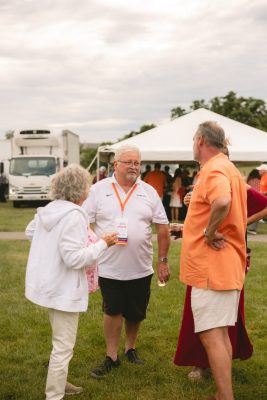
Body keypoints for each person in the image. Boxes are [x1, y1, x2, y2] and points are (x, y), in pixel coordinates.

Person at [25, 164, 118, 400]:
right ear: (80, 191)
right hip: (63, 289)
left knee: (60, 341)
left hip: (49, 285)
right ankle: (54, 395)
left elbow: (30, 232)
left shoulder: (49, 209)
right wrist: (103, 243)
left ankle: (60, 381)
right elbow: (74, 258)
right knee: (63, 347)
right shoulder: (75, 215)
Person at [82, 144, 170, 379]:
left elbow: (162, 228)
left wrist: (162, 261)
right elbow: (83, 222)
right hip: (108, 266)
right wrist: (92, 246)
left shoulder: (149, 191)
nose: (133, 166)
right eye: (128, 162)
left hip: (141, 267)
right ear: (115, 164)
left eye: (137, 163)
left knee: (136, 313)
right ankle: (111, 356)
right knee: (112, 311)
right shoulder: (98, 190)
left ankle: (130, 348)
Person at [179, 121, 247, 400]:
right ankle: (223, 393)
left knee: (211, 335)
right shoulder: (229, 167)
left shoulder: (214, 169)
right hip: (225, 265)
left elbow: (221, 201)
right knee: (219, 334)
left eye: (193, 140)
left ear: (200, 141)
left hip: (212, 266)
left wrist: (208, 232)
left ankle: (225, 396)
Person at [174, 186, 267, 382]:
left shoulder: (237, 184)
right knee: (197, 310)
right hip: (201, 255)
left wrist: (241, 222)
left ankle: (221, 362)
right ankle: (199, 361)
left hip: (228, 256)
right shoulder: (205, 180)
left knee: (226, 313)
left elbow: (264, 205)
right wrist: (193, 202)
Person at [246, 169, 261, 234]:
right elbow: (257, 190)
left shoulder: (249, 180)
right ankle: (252, 229)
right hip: (255, 198)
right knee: (256, 213)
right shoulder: (258, 180)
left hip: (248, 198)